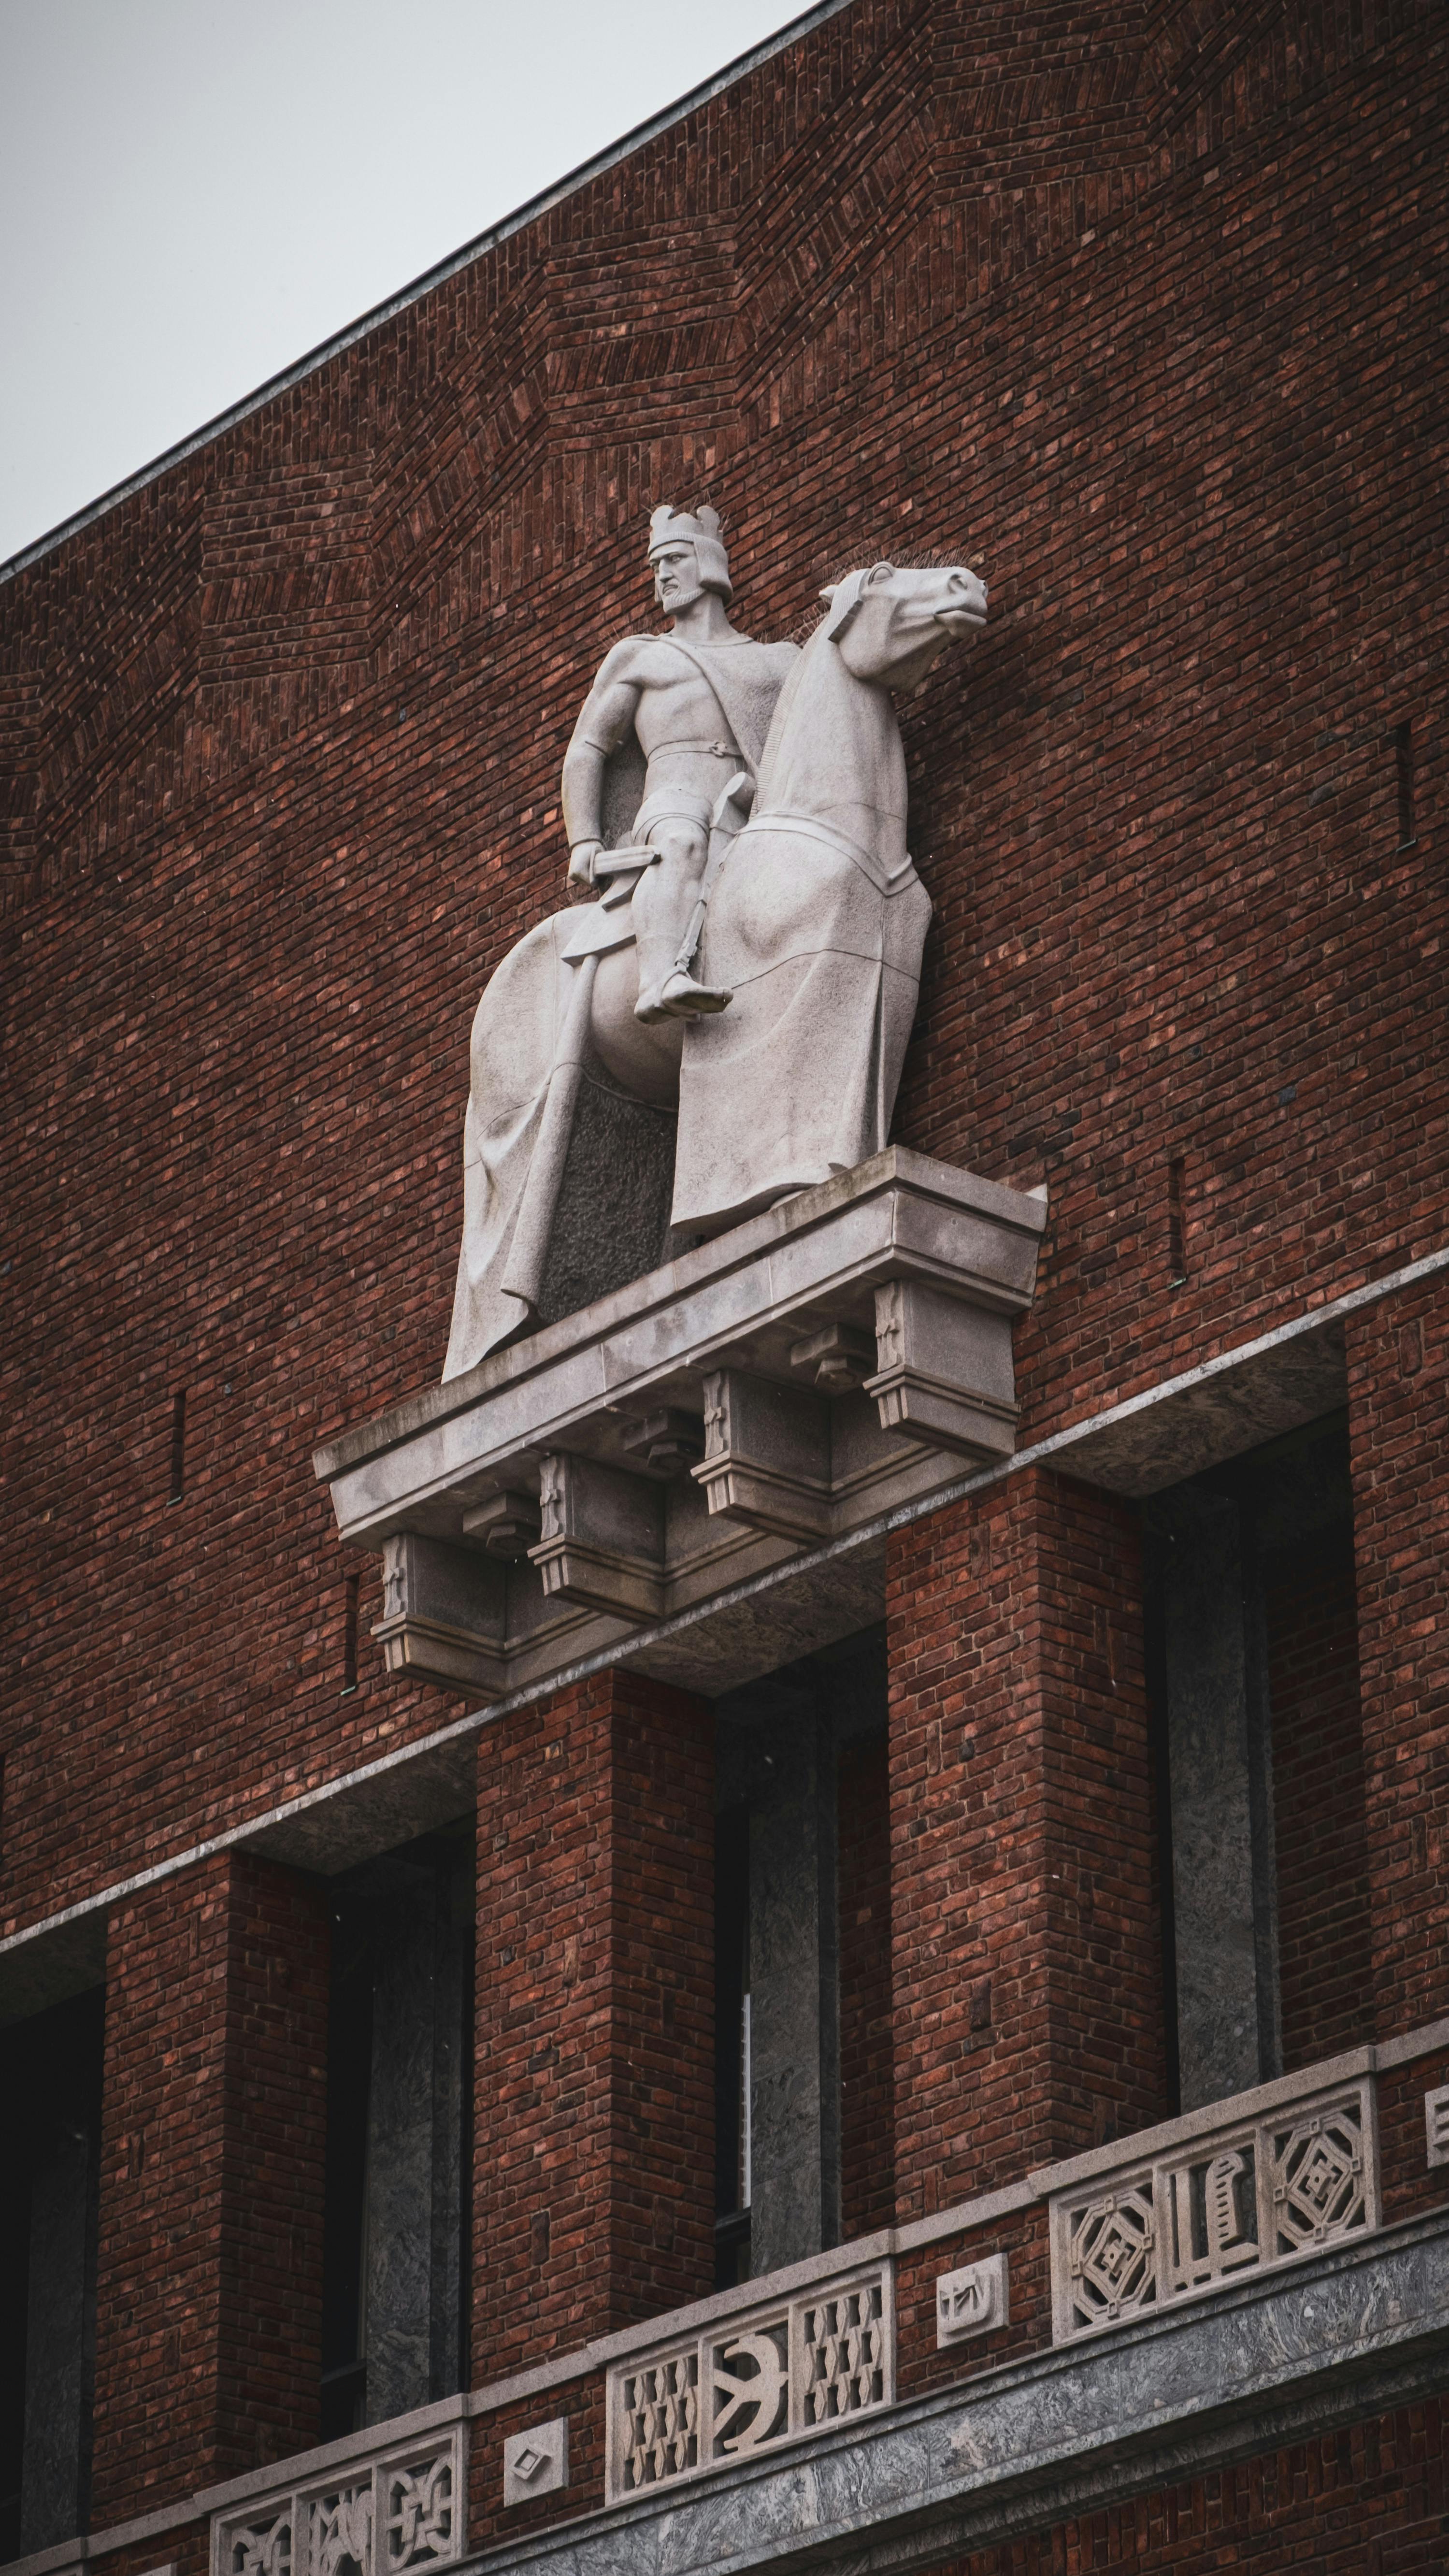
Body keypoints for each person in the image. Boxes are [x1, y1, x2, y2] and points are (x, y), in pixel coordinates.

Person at [560, 504, 798, 1022]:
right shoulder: (640, 657)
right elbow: (588, 747)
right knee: (681, 842)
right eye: (655, 567)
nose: (662, 575)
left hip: (752, 798)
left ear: (708, 564)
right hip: (673, 801)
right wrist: (584, 838)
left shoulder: (775, 660)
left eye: (672, 559)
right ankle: (659, 976)